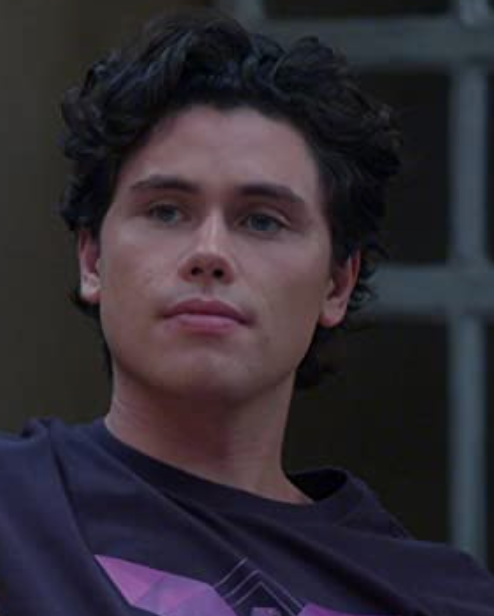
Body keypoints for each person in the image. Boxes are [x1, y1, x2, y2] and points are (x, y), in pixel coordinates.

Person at [1, 9, 493, 616]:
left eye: (262, 221)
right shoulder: (15, 513)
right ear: (93, 259)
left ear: (337, 284)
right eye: (166, 211)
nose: (209, 253)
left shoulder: (435, 598)